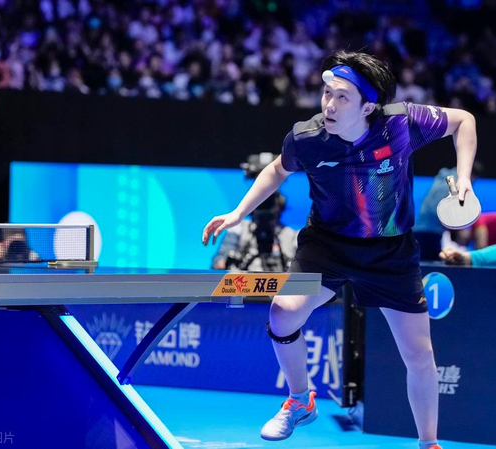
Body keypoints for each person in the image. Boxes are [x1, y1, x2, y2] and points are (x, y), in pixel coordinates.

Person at [202, 50, 477, 449]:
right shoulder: (307, 138)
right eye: (327, 93)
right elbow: (277, 169)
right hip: (327, 244)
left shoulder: (401, 124)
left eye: (342, 97)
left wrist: (464, 178)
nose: (329, 104)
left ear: (368, 106)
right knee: (283, 313)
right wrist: (238, 212)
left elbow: (464, 121)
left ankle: (428, 444)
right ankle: (300, 401)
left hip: (390, 251)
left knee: (419, 354)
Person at [211, 191, 298, 272]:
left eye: (268, 205)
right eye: (260, 204)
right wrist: (224, 262)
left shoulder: (291, 235)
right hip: (243, 282)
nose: (264, 211)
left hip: (282, 282)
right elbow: (219, 260)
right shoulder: (238, 230)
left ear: (279, 207)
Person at [414, 161, 482, 260]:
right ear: (471, 174)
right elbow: (449, 209)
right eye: (473, 180)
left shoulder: (444, 177)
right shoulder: (453, 182)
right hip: (430, 234)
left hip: (418, 230)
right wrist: (458, 231)